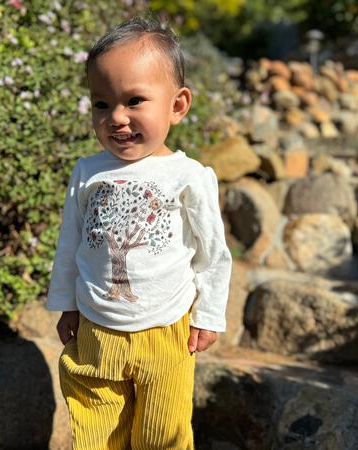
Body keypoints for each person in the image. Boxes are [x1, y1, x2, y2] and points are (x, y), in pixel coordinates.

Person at [46, 15, 232, 450]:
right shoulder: (88, 171)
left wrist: (209, 314)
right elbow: (70, 241)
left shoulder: (187, 175)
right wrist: (66, 304)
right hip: (96, 325)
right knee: (95, 425)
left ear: (177, 105)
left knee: (162, 431)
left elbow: (212, 252)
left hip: (166, 329)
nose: (117, 118)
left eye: (134, 101)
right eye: (101, 104)